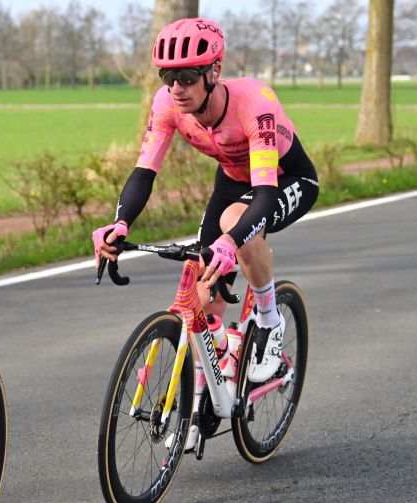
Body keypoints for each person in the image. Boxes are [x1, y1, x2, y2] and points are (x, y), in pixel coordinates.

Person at [93, 18, 319, 383]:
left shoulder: (253, 104)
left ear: (214, 71)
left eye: (186, 77)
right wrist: (120, 223)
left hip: (284, 179)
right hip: (231, 182)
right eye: (167, 78)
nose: (176, 89)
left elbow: (263, 193)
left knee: (234, 228)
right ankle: (210, 384)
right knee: (200, 291)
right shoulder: (167, 104)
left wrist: (231, 243)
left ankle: (269, 321)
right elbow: (144, 172)